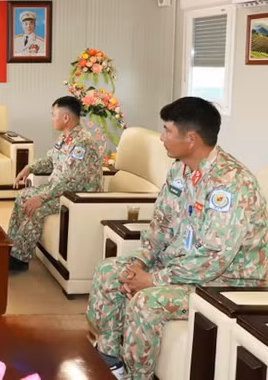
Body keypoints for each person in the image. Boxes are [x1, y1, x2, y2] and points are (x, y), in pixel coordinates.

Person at [87, 97, 268, 379]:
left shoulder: (232, 184)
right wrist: (140, 263)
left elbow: (213, 258)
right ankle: (111, 361)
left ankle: (137, 376)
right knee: (109, 272)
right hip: (181, 269)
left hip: (222, 283)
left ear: (191, 139)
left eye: (167, 130)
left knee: (146, 302)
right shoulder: (179, 170)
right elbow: (161, 223)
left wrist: (153, 280)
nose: (161, 137)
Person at [7, 96, 103, 271]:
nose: (52, 118)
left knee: (34, 208)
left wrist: (42, 197)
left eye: (54, 114)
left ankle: (19, 259)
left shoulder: (82, 143)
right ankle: (12, 247)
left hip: (77, 196)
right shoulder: (64, 138)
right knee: (23, 196)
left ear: (65, 117)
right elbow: (51, 159)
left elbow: (70, 179)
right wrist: (29, 168)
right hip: (59, 189)